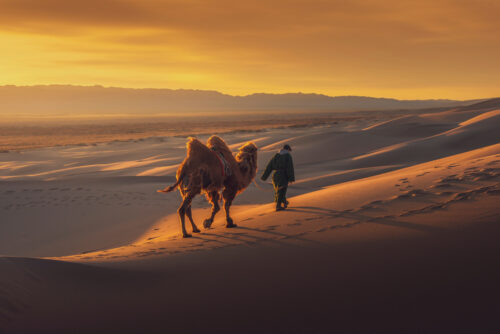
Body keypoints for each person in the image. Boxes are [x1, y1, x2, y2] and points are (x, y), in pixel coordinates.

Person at [261, 144, 295, 211]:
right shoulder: (288, 156)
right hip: (283, 175)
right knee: (282, 191)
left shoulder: (276, 155)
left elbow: (269, 166)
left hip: (275, 175)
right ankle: (278, 206)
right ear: (288, 149)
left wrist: (264, 177)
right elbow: (290, 167)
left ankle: (284, 202)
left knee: (279, 190)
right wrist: (291, 178)